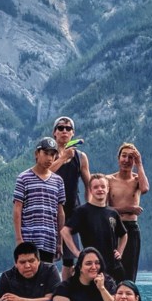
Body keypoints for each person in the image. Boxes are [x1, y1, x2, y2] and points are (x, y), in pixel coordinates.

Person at [62, 173, 128, 279]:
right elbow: (65, 231)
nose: (100, 189)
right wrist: (77, 253)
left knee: (118, 293)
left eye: (103, 186)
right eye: (96, 187)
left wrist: (120, 251)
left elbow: (124, 234)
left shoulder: (113, 213)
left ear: (108, 189)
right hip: (93, 266)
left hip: (113, 265)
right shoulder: (82, 211)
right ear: (90, 190)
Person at [49, 117, 92, 280]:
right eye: (60, 128)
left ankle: (65, 292)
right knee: (47, 253)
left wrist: (89, 207)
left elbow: (89, 184)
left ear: (73, 133)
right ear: (54, 133)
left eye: (68, 128)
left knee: (69, 258)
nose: (64, 131)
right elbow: (42, 175)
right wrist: (62, 158)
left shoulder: (80, 157)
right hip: (50, 209)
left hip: (73, 209)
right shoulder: (48, 154)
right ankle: (47, 291)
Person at [14, 137, 66, 263]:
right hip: (29, 239)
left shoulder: (58, 181)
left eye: (53, 154)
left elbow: (60, 213)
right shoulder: (23, 178)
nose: (49, 158)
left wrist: (60, 242)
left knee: (46, 279)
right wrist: (19, 239)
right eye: (46, 153)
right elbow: (17, 210)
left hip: (49, 239)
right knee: (28, 276)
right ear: (37, 154)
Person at [107, 143, 149, 281]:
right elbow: (103, 209)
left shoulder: (137, 180)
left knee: (130, 273)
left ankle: (130, 299)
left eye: (130, 157)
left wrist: (140, 164)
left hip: (131, 228)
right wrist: (128, 209)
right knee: (111, 270)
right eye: (124, 156)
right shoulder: (109, 180)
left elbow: (145, 189)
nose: (126, 160)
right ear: (118, 158)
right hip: (113, 227)